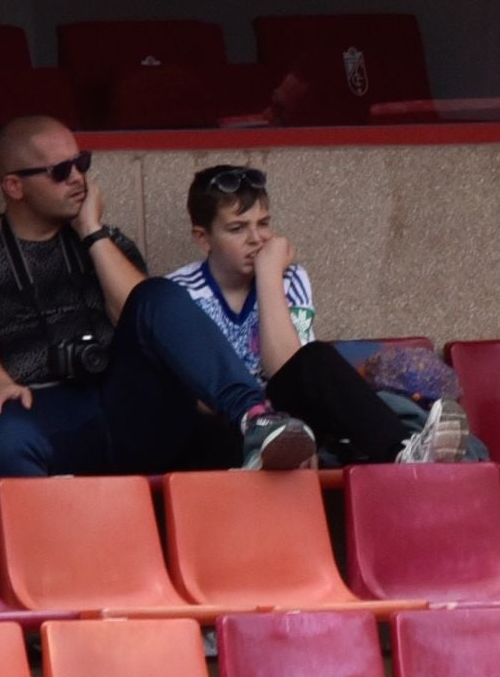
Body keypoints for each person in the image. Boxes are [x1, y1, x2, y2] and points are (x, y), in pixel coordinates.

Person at [0, 115, 318, 481]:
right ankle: (50, 532)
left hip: (123, 402)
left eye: (81, 163)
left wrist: (92, 232)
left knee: (158, 293)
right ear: (15, 186)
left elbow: (144, 313)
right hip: (37, 403)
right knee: (3, 435)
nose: (77, 178)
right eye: (60, 171)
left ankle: (256, 417)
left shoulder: (106, 242)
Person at [166, 164, 468, 464]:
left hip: (289, 423)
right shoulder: (178, 294)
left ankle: (404, 454)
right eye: (237, 228)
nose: (256, 238)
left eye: (264, 223)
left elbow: (289, 367)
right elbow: (191, 398)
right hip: (225, 427)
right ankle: (268, 454)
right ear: (203, 238)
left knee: (316, 358)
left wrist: (268, 276)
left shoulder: (289, 278)